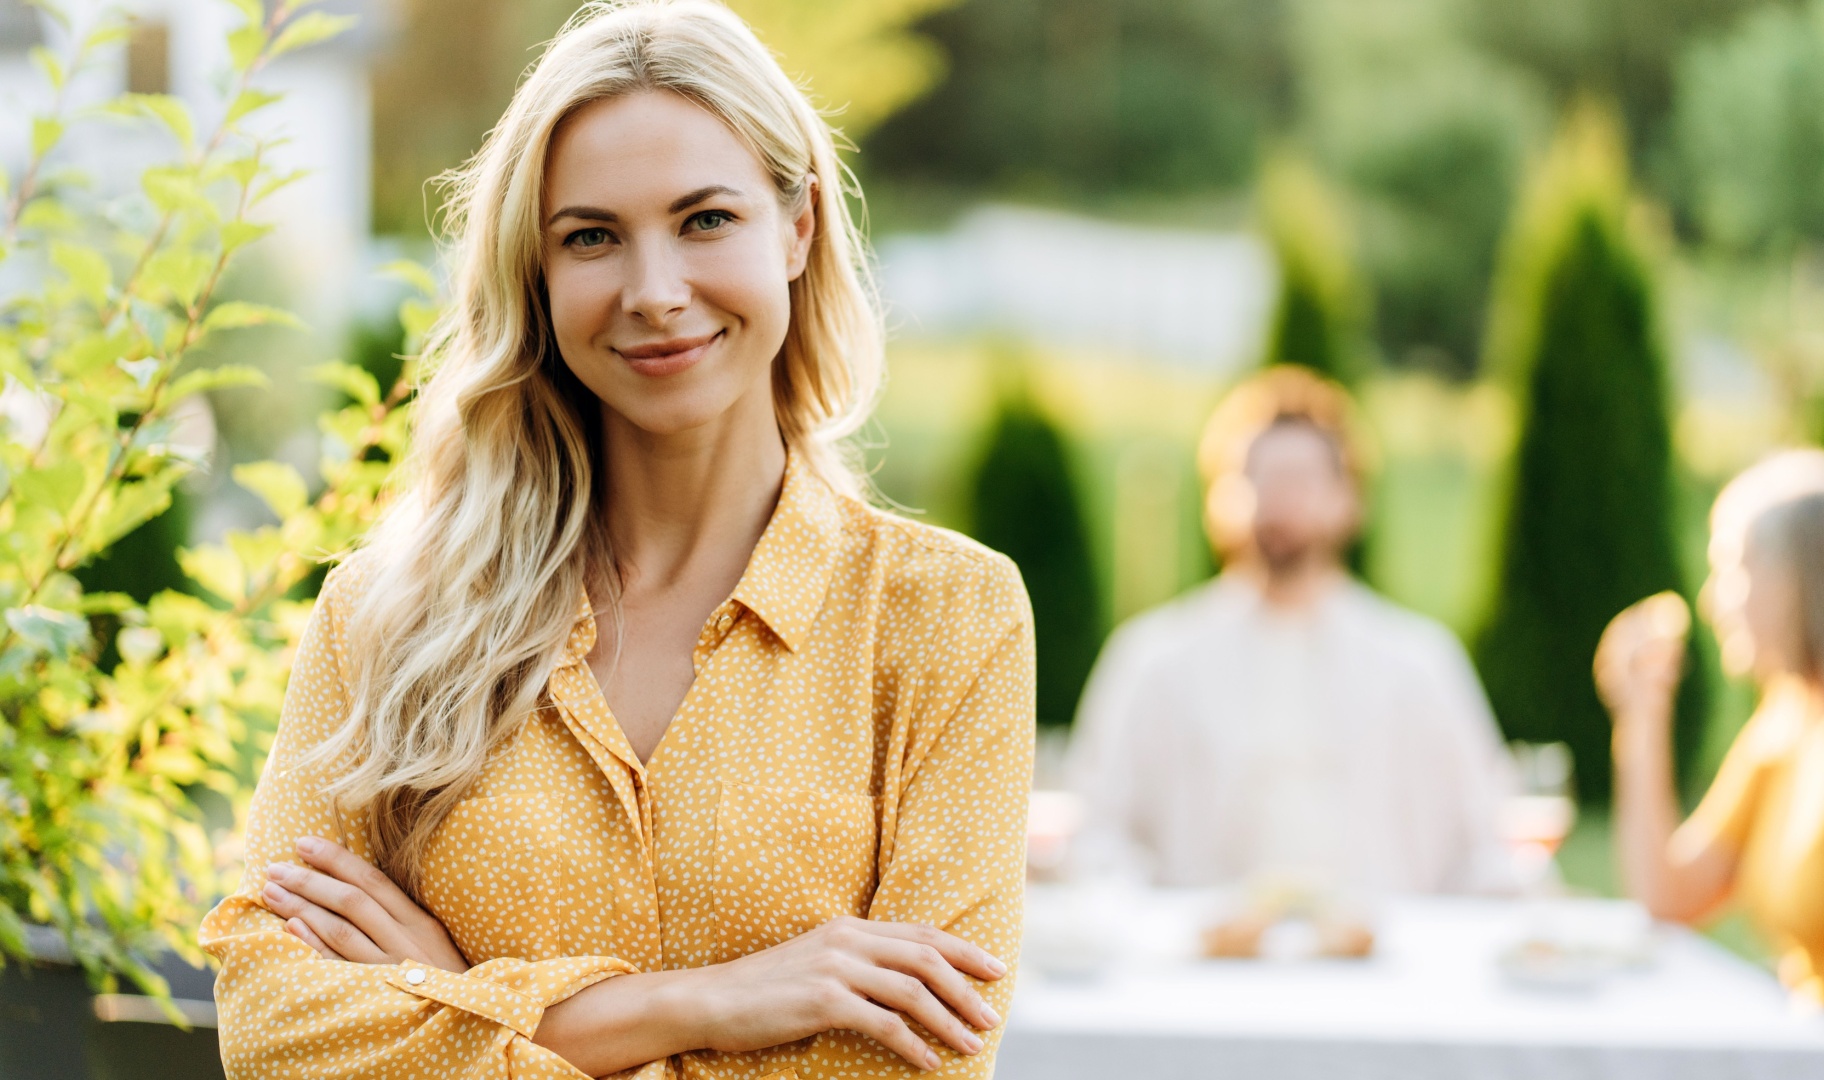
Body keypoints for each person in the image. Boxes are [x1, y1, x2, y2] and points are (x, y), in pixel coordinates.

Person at [197, 4, 1035, 1077]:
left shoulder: (946, 620)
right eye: (591, 236)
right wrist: (713, 1005)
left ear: (799, 228)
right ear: (537, 275)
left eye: (705, 220)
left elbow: (919, 1062)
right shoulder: (384, 618)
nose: (654, 292)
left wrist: (457, 1002)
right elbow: (273, 1032)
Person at [1068, 365, 1516, 894]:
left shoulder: (1419, 661)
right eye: (1257, 477)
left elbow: (1485, 845)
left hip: (1382, 966)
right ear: (1219, 497)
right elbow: (1096, 837)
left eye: (1302, 478)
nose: (1279, 499)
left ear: (1350, 501)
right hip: (1206, 969)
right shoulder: (1153, 658)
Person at [1597, 449, 1824, 1078]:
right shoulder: (1787, 724)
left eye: (1733, 570)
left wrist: (1759, 1061)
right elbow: (1666, 896)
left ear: (1802, 583)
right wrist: (1642, 716)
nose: (1715, 599)